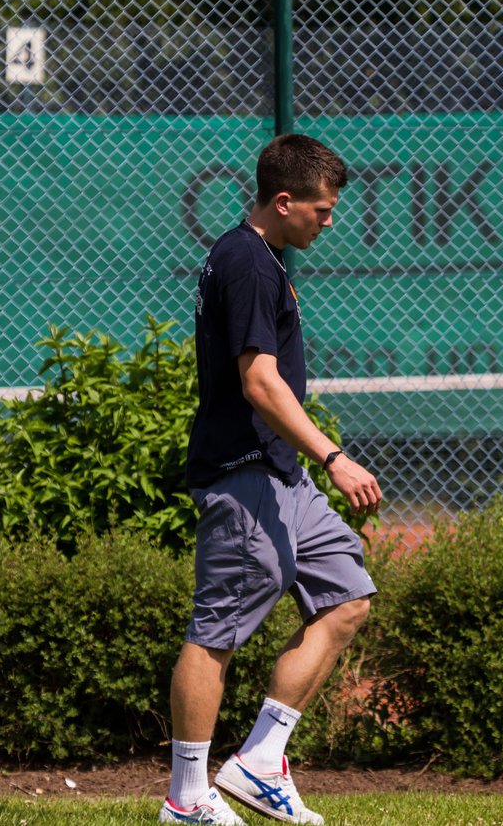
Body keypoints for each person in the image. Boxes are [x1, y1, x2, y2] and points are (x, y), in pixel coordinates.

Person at [161, 135, 381, 826]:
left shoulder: (259, 258)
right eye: (322, 209)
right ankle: (187, 797)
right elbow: (260, 382)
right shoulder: (248, 264)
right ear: (284, 202)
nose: (330, 220)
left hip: (282, 475)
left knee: (347, 598)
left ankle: (260, 761)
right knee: (217, 632)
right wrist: (333, 456)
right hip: (245, 473)